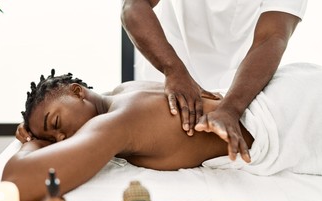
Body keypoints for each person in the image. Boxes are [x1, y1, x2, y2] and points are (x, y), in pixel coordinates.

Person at [3, 63, 322, 201]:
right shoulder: (125, 91)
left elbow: (17, 181)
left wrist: (32, 144)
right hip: (291, 87)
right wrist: (43, 137)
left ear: (77, 92)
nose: (61, 139)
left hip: (294, 113)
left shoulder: (118, 121)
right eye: (52, 139)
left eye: (56, 124)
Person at [121, 0, 307, 161]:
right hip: (169, 81)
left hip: (241, 89)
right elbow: (133, 6)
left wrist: (230, 109)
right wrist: (173, 69)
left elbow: (272, 37)